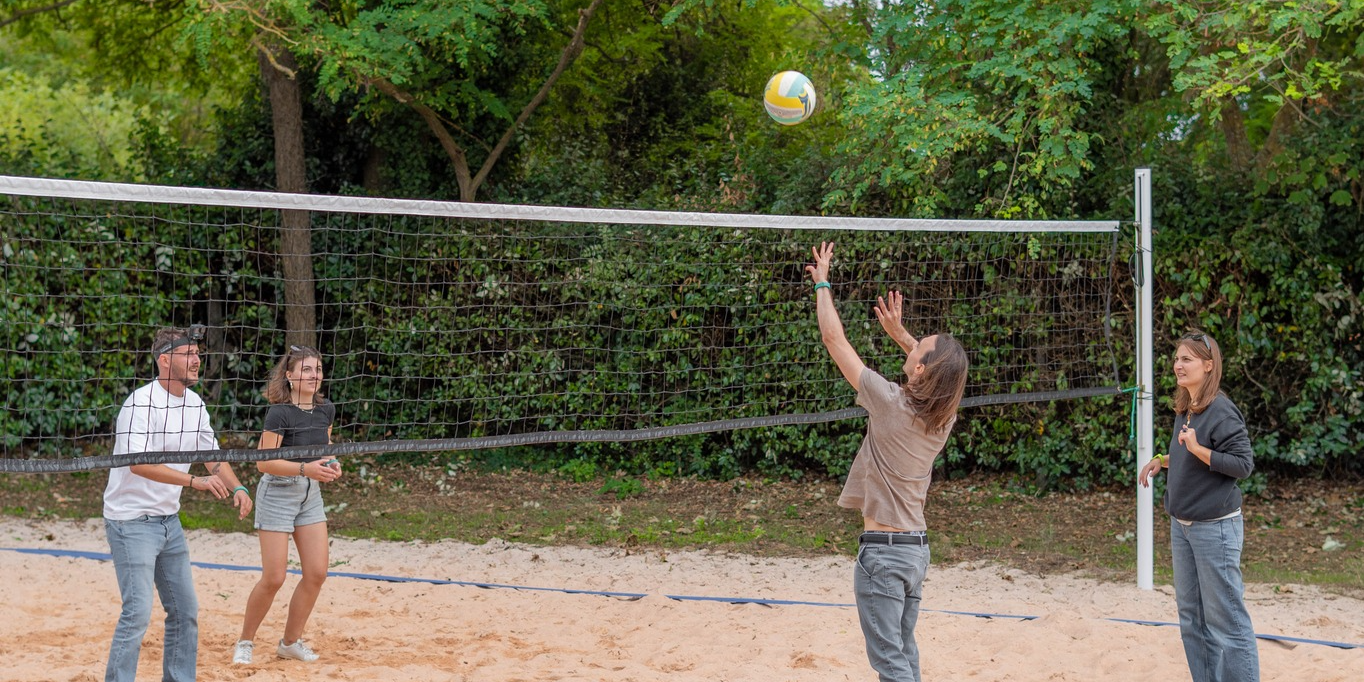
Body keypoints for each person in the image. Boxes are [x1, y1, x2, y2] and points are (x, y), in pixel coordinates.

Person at [806, 242, 968, 682]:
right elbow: (936, 373)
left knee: (891, 663)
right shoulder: (943, 418)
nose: (913, 346)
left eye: (919, 348)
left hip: (883, 555)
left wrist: (823, 282)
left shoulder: (890, 403)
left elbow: (833, 340)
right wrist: (905, 339)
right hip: (916, 554)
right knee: (903, 655)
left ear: (919, 371)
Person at [103, 326, 253, 682]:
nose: (198, 359)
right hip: (130, 521)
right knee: (138, 612)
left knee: (185, 611)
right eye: (189, 354)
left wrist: (238, 487)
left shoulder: (196, 404)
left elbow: (210, 456)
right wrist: (192, 481)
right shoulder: (139, 404)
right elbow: (137, 462)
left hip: (168, 522)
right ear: (165, 360)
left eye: (199, 354)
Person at [1140, 331, 1260, 682]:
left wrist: (1196, 450)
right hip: (1182, 526)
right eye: (1177, 358)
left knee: (1228, 623)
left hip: (1215, 529)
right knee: (1192, 620)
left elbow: (1243, 464)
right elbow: (1189, 450)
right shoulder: (1186, 406)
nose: (1178, 365)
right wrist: (1162, 460)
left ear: (1209, 366)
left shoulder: (1221, 409)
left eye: (1187, 359)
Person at [233, 344, 341, 665]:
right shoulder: (279, 412)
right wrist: (306, 468)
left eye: (318, 369)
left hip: (309, 493)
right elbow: (264, 463)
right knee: (274, 577)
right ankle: (245, 642)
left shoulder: (326, 410)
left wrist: (332, 463)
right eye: (306, 369)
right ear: (290, 375)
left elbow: (326, 447)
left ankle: (290, 643)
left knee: (317, 573)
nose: (314, 375)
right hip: (278, 492)